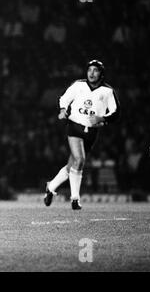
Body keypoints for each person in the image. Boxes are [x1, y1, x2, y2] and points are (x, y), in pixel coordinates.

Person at [43, 60, 120, 210]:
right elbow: (63, 98)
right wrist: (62, 110)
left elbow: (116, 112)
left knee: (72, 165)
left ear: (101, 74)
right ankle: (75, 199)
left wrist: (102, 118)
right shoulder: (78, 85)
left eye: (95, 70)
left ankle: (50, 186)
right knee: (80, 160)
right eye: (89, 70)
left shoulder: (107, 91)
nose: (91, 73)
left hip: (92, 131)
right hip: (74, 127)